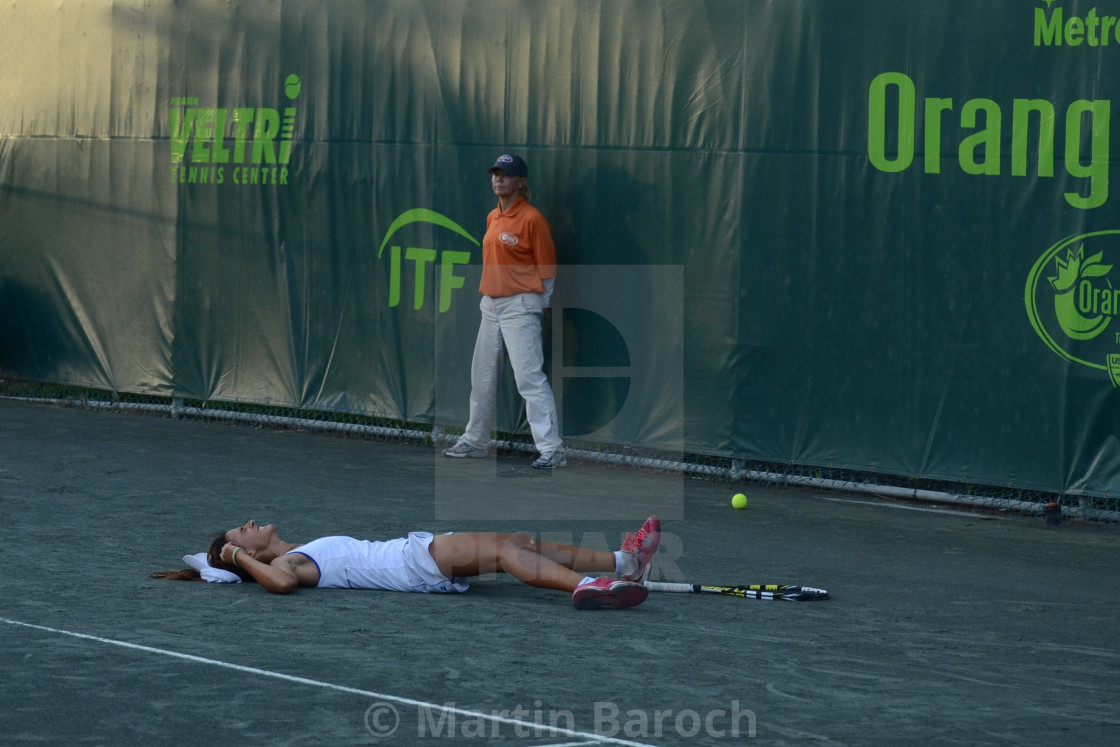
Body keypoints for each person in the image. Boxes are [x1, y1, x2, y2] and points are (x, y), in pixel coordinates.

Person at [153, 516, 661, 611]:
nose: (249, 523)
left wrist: (234, 554)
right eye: (242, 531)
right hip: (411, 563)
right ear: (251, 552)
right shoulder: (287, 566)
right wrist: (234, 556)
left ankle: (625, 561)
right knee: (509, 553)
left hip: (411, 555)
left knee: (518, 540)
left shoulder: (291, 552)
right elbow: (280, 587)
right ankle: (589, 586)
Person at [443, 153, 565, 469]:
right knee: (482, 378)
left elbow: (548, 268)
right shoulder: (492, 217)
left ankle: (552, 448)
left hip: (522, 305)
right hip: (490, 305)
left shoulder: (533, 219)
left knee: (528, 378)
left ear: (521, 181)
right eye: (495, 173)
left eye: (506, 174)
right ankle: (475, 441)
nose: (499, 179)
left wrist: (544, 304)